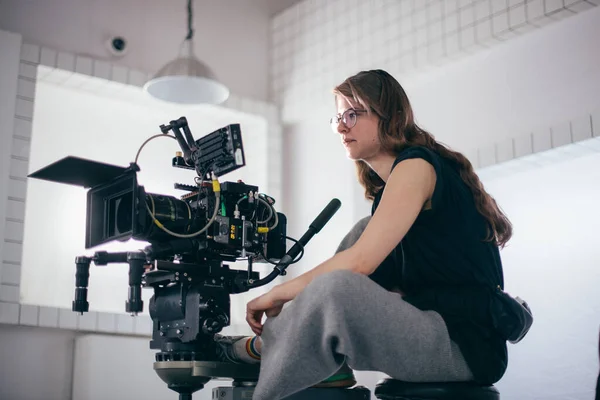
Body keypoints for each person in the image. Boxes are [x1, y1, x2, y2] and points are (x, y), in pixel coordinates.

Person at [216, 69, 513, 400]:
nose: (342, 126)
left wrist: (276, 294)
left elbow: (358, 264)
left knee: (338, 285)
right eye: (338, 117)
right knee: (361, 235)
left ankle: (268, 346)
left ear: (391, 117)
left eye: (353, 114)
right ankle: (283, 343)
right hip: (434, 327)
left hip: (463, 345)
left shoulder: (417, 167)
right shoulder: (397, 186)